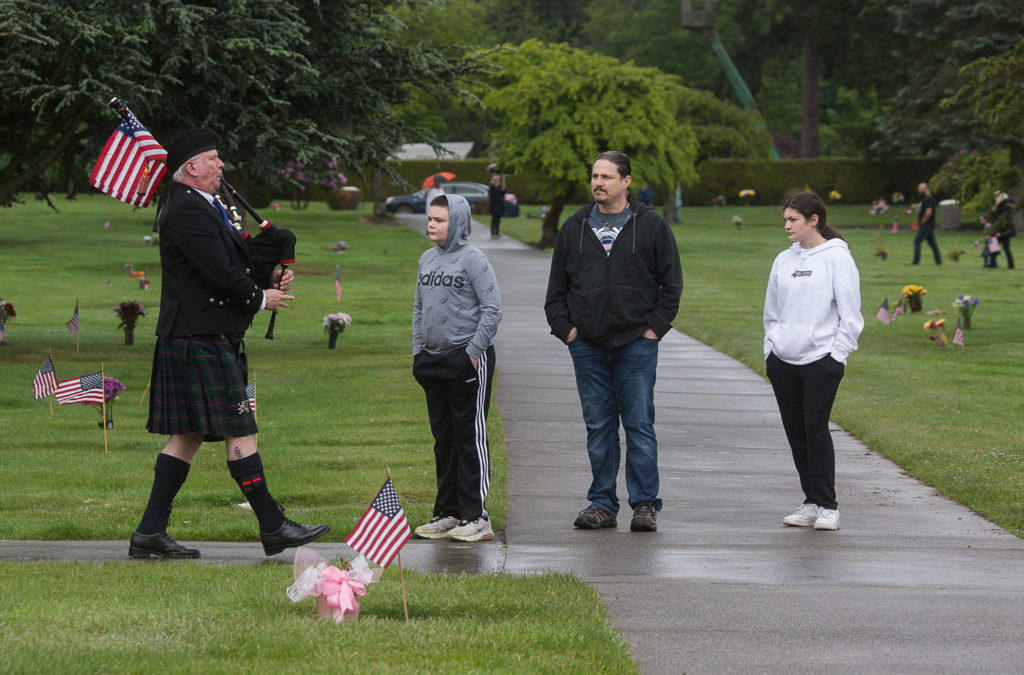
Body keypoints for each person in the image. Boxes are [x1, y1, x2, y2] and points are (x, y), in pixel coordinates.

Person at [129, 129, 330, 559]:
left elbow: (236, 260)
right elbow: (218, 272)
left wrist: (268, 273)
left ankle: (149, 532)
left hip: (201, 335)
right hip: (198, 337)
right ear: (192, 167)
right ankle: (273, 527)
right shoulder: (185, 210)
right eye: (214, 159)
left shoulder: (207, 205)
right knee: (240, 427)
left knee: (187, 435)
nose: (221, 166)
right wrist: (261, 298)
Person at [545, 151, 683, 533]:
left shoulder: (651, 225)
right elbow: (556, 289)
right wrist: (568, 332)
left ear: (626, 181)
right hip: (587, 345)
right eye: (594, 175)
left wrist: (654, 328)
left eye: (607, 176)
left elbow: (671, 284)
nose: (598, 183)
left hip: (636, 344)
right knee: (599, 426)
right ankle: (602, 503)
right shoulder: (574, 228)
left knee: (639, 424)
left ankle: (644, 504)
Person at [764, 190, 863, 532]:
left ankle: (828, 506)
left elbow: (851, 315)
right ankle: (810, 501)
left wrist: (836, 355)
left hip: (821, 359)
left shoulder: (837, 258)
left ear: (813, 220)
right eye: (785, 220)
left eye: (793, 220)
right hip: (783, 360)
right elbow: (771, 312)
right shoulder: (783, 260)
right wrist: (771, 349)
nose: (787, 226)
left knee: (814, 428)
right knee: (796, 432)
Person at [412, 194, 503, 542]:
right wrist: (419, 353)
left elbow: (492, 310)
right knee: (444, 438)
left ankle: (476, 516)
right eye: (430, 218)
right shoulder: (426, 259)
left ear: (459, 223)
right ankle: (448, 512)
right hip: (432, 362)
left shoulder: (473, 260)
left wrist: (472, 352)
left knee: (469, 436)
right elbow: (419, 309)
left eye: (440, 219)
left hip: (466, 360)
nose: (431, 224)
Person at [911, 182, 941, 265]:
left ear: (925, 188)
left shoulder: (928, 198)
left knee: (917, 241)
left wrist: (922, 222)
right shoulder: (926, 198)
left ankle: (915, 262)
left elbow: (928, 212)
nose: (918, 190)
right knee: (933, 244)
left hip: (926, 224)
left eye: (920, 189)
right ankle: (938, 262)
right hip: (929, 225)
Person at [992, 192, 1017, 270]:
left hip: (1002, 230)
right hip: (1008, 230)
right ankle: (1011, 265)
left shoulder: (1001, 206)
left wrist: (999, 231)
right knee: (1005, 248)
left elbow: (1000, 219)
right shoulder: (1007, 206)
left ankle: (992, 264)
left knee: (996, 247)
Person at [487, 173, 506, 239]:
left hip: (500, 205)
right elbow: (491, 196)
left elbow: (502, 195)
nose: (496, 181)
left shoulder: (501, 187)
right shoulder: (492, 187)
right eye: (495, 180)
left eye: (497, 180)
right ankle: (493, 233)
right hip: (493, 206)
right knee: (493, 220)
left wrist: (503, 190)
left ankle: (497, 232)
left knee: (498, 220)